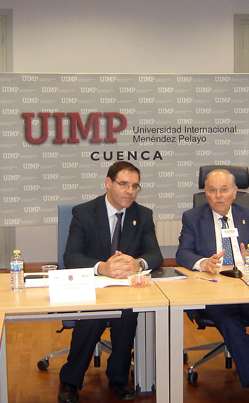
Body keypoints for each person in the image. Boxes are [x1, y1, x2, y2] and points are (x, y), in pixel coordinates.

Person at [175, 169, 249, 403]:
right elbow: (182, 253)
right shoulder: (193, 217)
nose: (218, 196)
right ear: (205, 193)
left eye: (224, 190)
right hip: (213, 290)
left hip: (247, 287)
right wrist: (203, 262)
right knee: (228, 320)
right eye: (212, 190)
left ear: (235, 192)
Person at [58, 161, 163, 403]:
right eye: (124, 184)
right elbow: (71, 256)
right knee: (94, 315)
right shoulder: (84, 212)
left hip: (126, 289)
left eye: (135, 186)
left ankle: (119, 378)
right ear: (108, 183)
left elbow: (155, 255)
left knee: (126, 315)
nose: (130, 191)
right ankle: (70, 381)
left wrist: (138, 263)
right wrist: (101, 267)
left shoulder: (142, 214)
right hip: (92, 286)